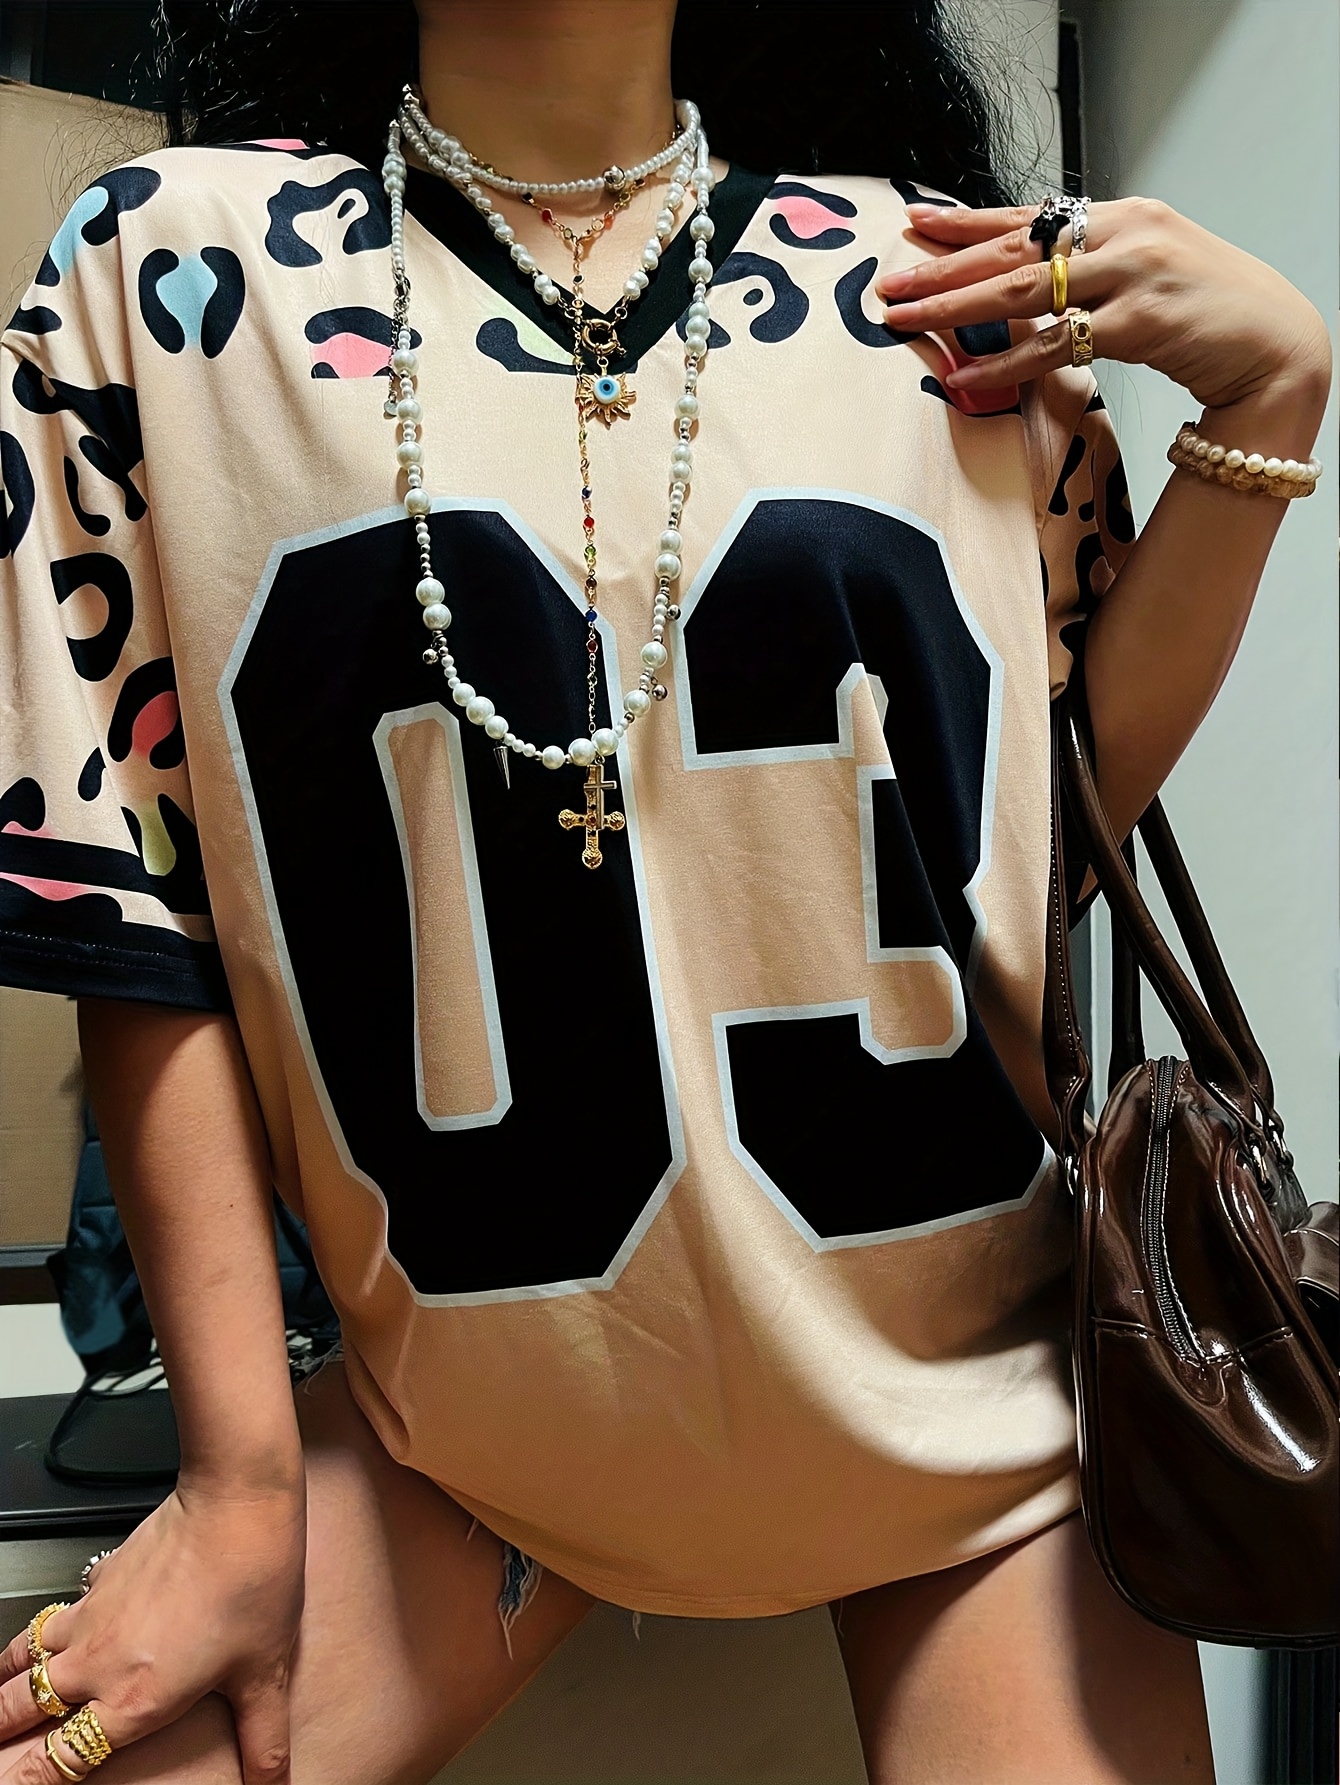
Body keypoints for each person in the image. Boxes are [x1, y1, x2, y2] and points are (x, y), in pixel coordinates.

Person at [0, 2, 1328, 1779]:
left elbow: (1038, 815)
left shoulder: (931, 277)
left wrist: (1269, 405)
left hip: (975, 1427)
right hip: (460, 1443)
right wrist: (238, 1481)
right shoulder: (167, 275)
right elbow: (128, 901)